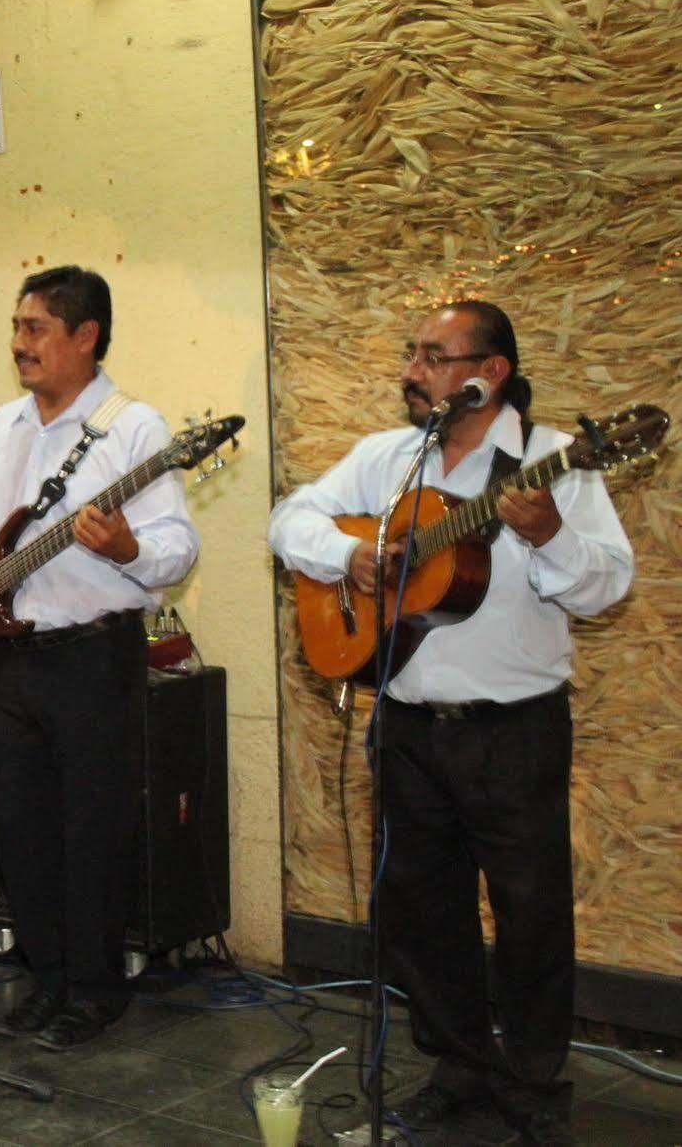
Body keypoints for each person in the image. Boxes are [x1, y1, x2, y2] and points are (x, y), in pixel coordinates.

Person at [266, 301, 632, 1147]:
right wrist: (349, 555)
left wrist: (547, 541)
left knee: (530, 912)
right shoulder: (388, 460)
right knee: (422, 910)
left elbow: (605, 585)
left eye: (434, 356)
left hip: (513, 729)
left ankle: (533, 1081)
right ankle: (457, 1064)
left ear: (489, 371)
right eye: (413, 354)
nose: (413, 370)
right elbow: (289, 519)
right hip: (407, 726)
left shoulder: (550, 463)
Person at [0, 266, 199, 1050]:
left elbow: (177, 549)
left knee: (92, 831)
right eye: (16, 327)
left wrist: (129, 545)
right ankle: (45, 977)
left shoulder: (132, 429)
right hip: (8, 661)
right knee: (19, 831)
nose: (17, 345)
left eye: (35, 329)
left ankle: (95, 988)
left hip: (92, 659)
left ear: (85, 337)